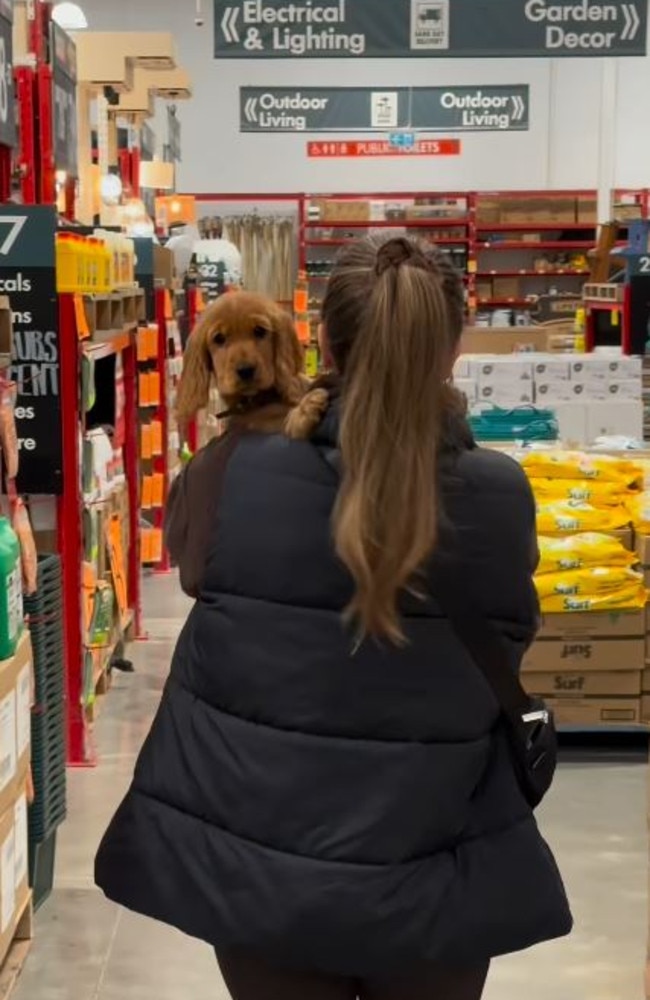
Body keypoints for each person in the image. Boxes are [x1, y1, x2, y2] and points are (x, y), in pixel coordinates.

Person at [95, 235, 572, 1000]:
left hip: (261, 864)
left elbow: (194, 574)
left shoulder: (230, 470)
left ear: (316, 340)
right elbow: (513, 636)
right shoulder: (498, 494)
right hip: (435, 868)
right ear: (450, 349)